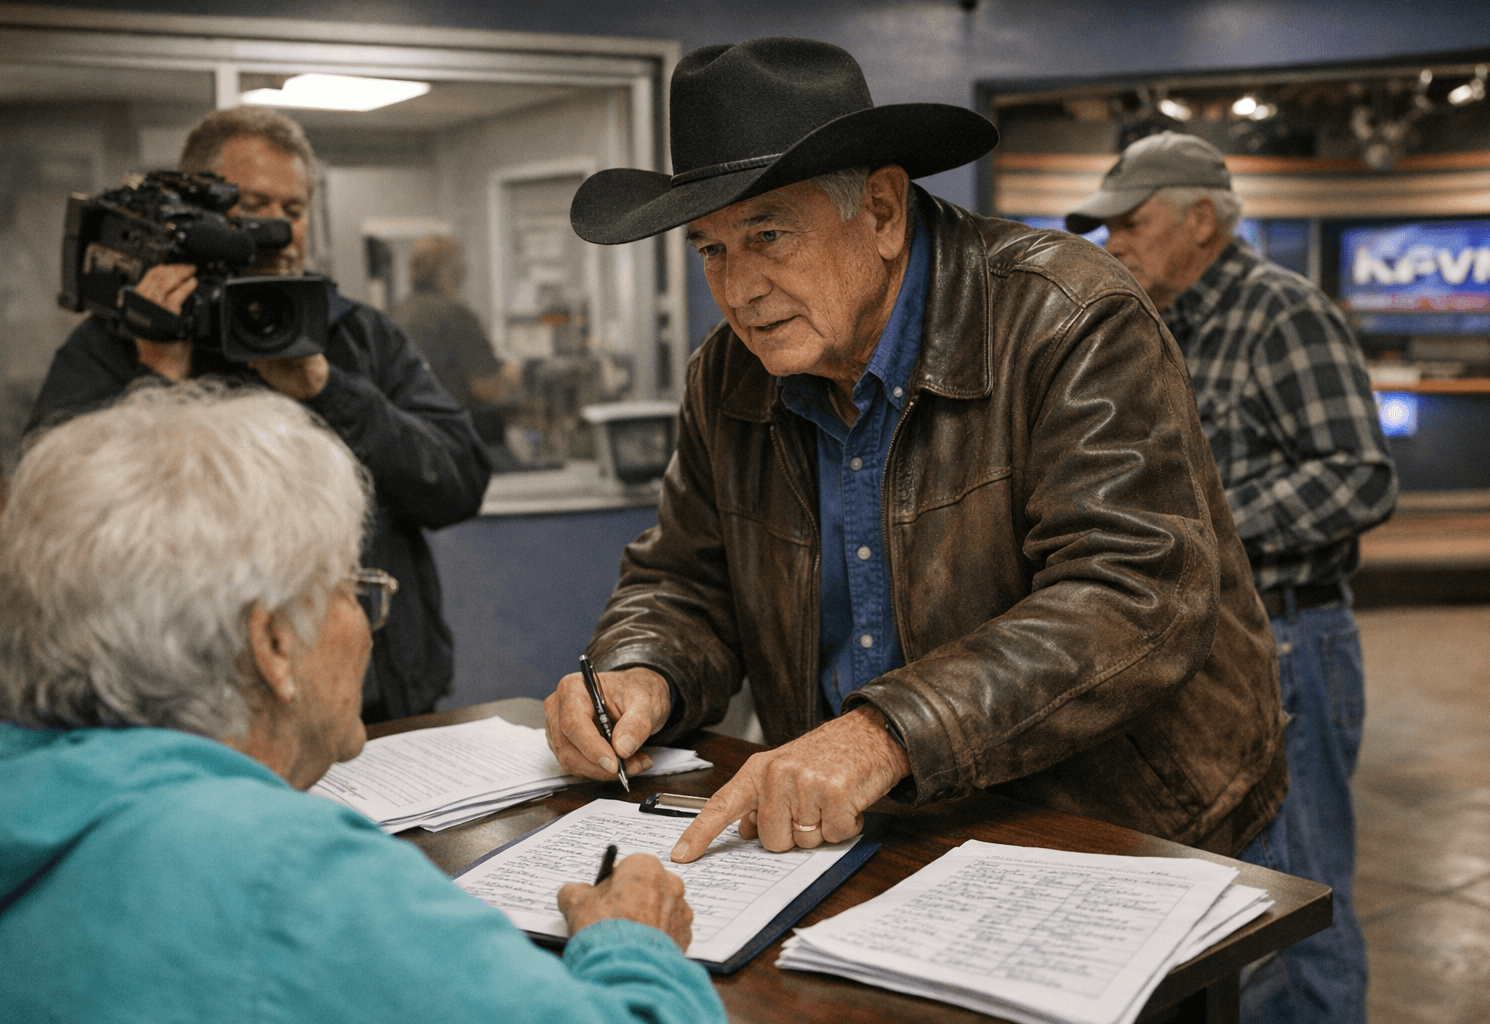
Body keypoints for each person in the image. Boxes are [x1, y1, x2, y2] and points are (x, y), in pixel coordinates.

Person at [543, 36, 1288, 872]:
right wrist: (642, 670)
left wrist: (884, 734)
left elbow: (1134, 594)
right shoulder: (726, 374)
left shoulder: (1069, 317)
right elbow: (686, 579)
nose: (738, 290)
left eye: (770, 234)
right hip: (874, 834)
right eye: (712, 249)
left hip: (1112, 825)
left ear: (883, 211)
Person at [0, 382, 724, 1024]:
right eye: (351, 586)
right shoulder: (288, 878)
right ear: (273, 643)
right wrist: (633, 941)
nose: (369, 622)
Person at [1067, 132, 1398, 1024]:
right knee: (1236, 901)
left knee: (1303, 903)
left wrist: (1203, 529)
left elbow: (1359, 477)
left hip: (1289, 641)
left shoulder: (1282, 313)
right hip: (1206, 648)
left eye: (1131, 223)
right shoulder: (1156, 326)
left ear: (1202, 220)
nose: (1114, 243)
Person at [27, 106, 490, 722]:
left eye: (293, 210)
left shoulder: (356, 335)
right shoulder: (118, 342)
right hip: (191, 710)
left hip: (375, 702)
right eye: (251, 207)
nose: (278, 231)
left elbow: (459, 481)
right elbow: (56, 534)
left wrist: (329, 389)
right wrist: (156, 378)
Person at [392, 234, 521, 446]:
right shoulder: (455, 315)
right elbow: (485, 388)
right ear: (450, 272)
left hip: (410, 440)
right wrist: (511, 375)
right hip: (456, 439)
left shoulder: (396, 314)